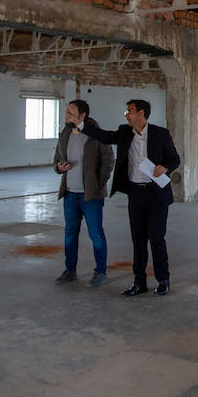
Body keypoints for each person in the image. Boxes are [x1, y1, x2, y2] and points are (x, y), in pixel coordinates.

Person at [75, 99, 180, 297]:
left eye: (129, 111)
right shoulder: (125, 132)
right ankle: (139, 282)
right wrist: (81, 126)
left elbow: (175, 158)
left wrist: (166, 167)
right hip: (136, 194)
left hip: (156, 194)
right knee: (138, 240)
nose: (126, 114)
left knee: (156, 238)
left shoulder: (160, 134)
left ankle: (163, 279)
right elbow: (104, 136)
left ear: (141, 113)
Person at [53, 99, 115, 287]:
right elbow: (56, 159)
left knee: (96, 234)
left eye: (71, 111)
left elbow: (108, 160)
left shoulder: (95, 134)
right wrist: (60, 167)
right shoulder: (65, 133)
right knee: (70, 233)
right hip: (70, 193)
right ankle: (70, 270)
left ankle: (100, 272)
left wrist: (98, 183)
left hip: (91, 195)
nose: (67, 114)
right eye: (67, 111)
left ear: (83, 115)